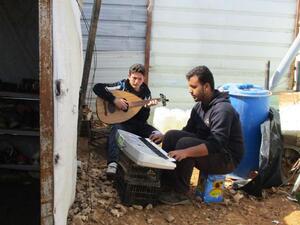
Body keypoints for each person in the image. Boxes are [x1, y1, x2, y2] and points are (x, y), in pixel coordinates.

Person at [157, 65, 244, 205]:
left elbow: (216, 144)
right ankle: (166, 184)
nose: (190, 91)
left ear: (206, 86)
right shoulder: (199, 107)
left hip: (226, 158)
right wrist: (164, 136)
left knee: (184, 144)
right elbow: (188, 130)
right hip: (211, 150)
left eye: (194, 87)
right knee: (171, 136)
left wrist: (186, 152)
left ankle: (180, 193)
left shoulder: (223, 110)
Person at [93, 63, 163, 178]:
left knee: (157, 135)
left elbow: (142, 119)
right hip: (122, 123)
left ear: (143, 78)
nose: (136, 82)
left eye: (139, 79)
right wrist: (114, 99)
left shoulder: (146, 93)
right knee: (116, 130)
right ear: (129, 76)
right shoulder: (121, 86)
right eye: (134, 78)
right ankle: (112, 163)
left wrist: (145, 108)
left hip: (137, 125)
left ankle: (143, 165)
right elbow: (97, 87)